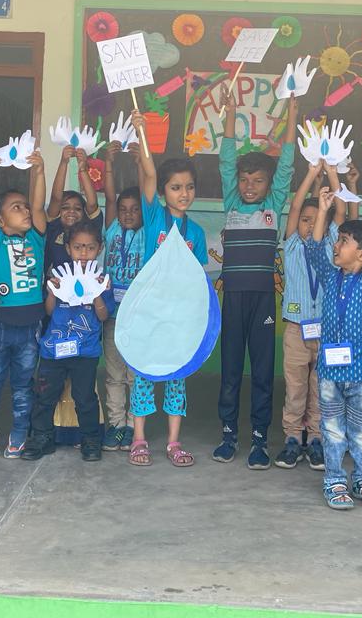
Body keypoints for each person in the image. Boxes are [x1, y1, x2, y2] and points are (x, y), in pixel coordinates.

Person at [213, 87, 298, 469]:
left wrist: (292, 113)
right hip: (233, 298)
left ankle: (260, 439)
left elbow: (287, 164)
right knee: (231, 369)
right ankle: (228, 434)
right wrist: (230, 114)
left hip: (263, 298)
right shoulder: (232, 203)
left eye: (257, 181)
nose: (249, 186)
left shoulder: (274, 207)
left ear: (269, 185)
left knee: (262, 372)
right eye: (245, 180)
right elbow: (225, 160)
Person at [305, 186, 362, 510]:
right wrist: (323, 210)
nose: (336, 244)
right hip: (331, 370)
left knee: (361, 430)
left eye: (343, 241)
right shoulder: (330, 276)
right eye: (338, 239)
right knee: (331, 429)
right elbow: (314, 247)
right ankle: (334, 479)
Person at [125, 109, 209, 468]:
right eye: (175, 187)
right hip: (148, 312)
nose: (183, 193)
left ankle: (174, 442)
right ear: (162, 192)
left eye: (189, 187)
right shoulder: (154, 216)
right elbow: (148, 171)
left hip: (178, 317)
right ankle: (138, 438)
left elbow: (198, 281)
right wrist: (142, 132)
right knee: (144, 376)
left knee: (176, 379)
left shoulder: (197, 233)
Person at [0, 148, 47, 459]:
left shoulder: (36, 238)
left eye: (25, 206)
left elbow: (40, 205)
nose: (26, 211)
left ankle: (19, 431)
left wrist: (39, 172)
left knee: (23, 385)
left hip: (30, 326)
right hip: (0, 324)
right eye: (17, 208)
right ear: (1, 221)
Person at [274, 160, 346, 471]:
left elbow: (340, 211)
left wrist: (333, 174)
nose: (307, 225)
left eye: (316, 221)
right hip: (296, 329)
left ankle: (316, 438)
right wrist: (312, 174)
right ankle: (292, 437)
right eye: (305, 220)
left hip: (326, 330)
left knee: (320, 388)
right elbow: (294, 206)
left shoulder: (330, 244)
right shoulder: (292, 245)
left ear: (327, 226)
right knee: (295, 387)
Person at [23, 220, 115, 461]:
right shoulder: (59, 277)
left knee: (85, 398)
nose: (84, 253)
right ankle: (42, 437)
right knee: (45, 396)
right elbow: (49, 311)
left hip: (85, 352)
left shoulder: (101, 280)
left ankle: (90, 439)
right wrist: (52, 292)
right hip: (53, 351)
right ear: (68, 248)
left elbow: (103, 316)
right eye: (77, 247)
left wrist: (96, 295)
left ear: (99, 248)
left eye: (90, 247)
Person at [100, 141, 144, 451]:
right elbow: (109, 196)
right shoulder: (113, 228)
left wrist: (140, 162)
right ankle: (116, 425)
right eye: (123, 209)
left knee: (134, 376)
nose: (127, 214)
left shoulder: (148, 232)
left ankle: (132, 425)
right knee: (114, 375)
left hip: (138, 317)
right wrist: (109, 163)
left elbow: (148, 196)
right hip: (113, 316)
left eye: (134, 209)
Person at [45, 145, 103, 274]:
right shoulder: (54, 228)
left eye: (77, 209)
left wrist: (83, 169)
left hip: (87, 285)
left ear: (84, 213)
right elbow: (56, 198)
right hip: (57, 285)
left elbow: (92, 203)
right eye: (65, 207)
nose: (71, 211)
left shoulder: (90, 228)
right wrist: (64, 162)